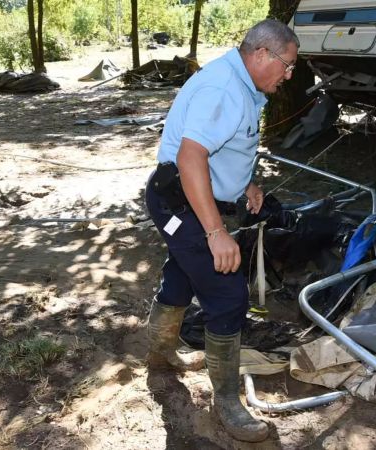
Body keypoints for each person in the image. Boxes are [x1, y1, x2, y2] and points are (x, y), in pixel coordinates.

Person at [143, 19, 299, 443]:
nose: (289, 76)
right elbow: (192, 157)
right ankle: (228, 403)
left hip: (190, 198)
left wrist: (242, 182)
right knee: (227, 294)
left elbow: (222, 146)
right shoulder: (224, 89)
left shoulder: (243, 82)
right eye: (286, 65)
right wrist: (216, 232)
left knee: (182, 272)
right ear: (261, 54)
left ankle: (159, 356)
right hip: (182, 204)